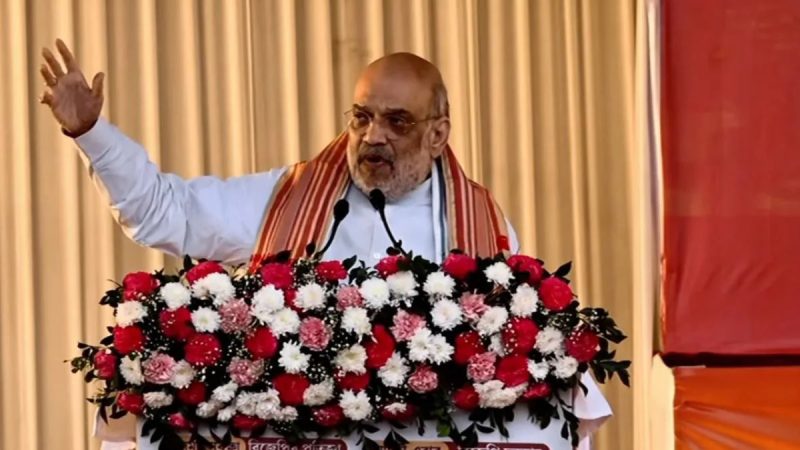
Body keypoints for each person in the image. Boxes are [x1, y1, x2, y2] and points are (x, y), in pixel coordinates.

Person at [40, 39, 611, 450]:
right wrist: (93, 134)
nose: (373, 136)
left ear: (438, 133)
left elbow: (512, 344)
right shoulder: (286, 197)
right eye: (361, 117)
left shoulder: (481, 223)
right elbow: (166, 213)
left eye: (397, 121)